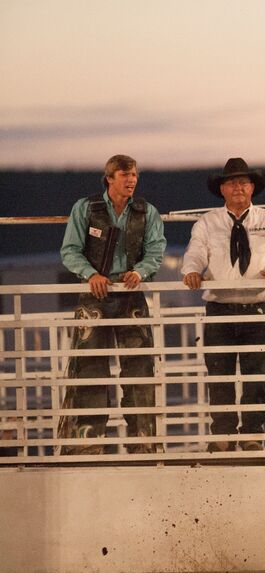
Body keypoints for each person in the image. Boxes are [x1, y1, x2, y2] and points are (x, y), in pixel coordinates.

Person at [182, 158, 265, 452]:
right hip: (220, 307)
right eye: (232, 182)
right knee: (218, 374)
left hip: (258, 307)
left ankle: (251, 434)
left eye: (243, 182)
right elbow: (195, 251)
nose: (238, 187)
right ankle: (222, 434)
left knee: (257, 376)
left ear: (253, 187)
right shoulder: (208, 222)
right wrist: (191, 270)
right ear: (222, 189)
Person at [58, 154, 166, 454]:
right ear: (109, 178)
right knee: (90, 368)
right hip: (95, 295)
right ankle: (87, 444)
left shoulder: (147, 212)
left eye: (134, 175)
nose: (131, 180)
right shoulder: (86, 208)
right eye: (124, 175)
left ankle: (143, 442)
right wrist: (90, 273)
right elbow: (70, 250)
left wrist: (140, 271)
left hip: (130, 293)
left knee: (140, 368)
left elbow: (156, 249)